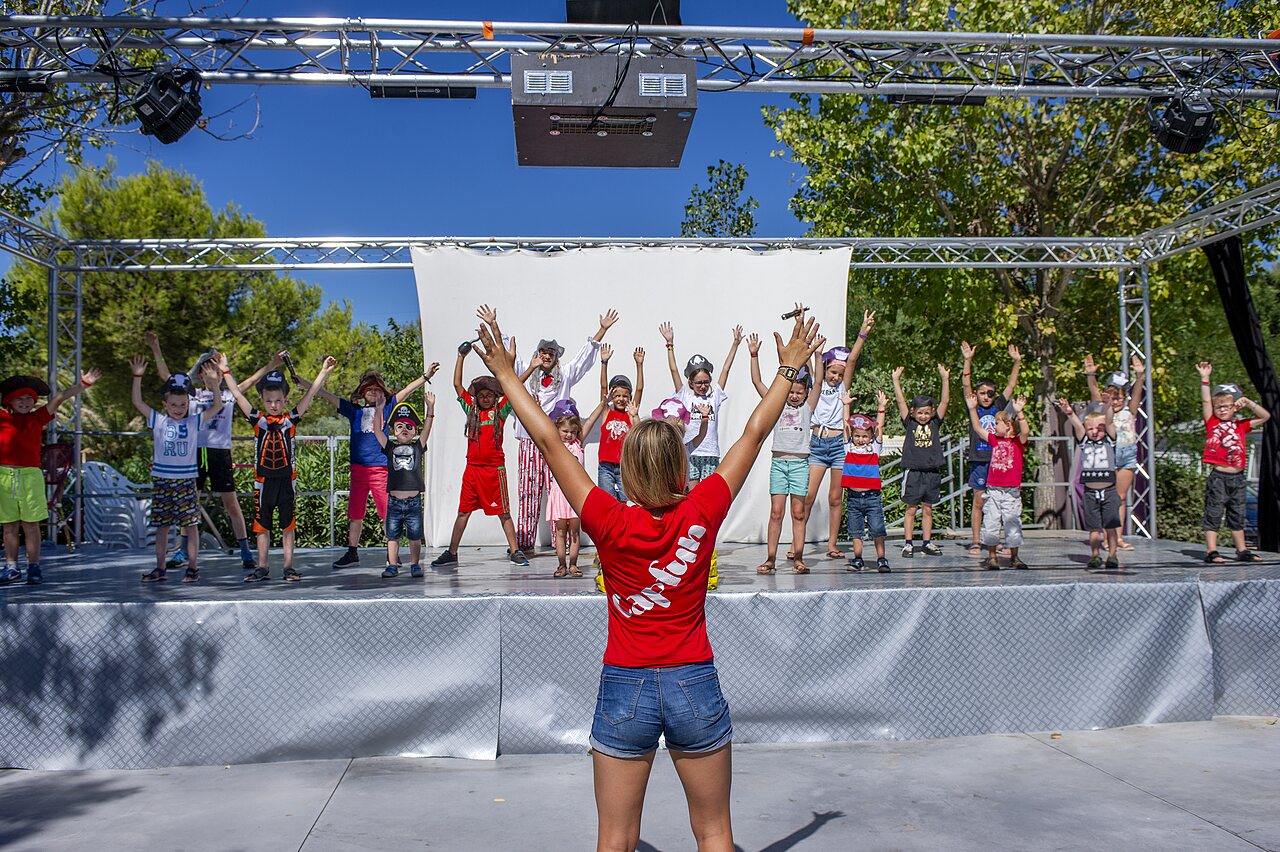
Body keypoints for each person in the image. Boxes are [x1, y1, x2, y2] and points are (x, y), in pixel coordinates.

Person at [468, 303, 822, 852]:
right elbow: (753, 434)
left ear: (627, 469)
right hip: (694, 683)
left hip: (624, 687)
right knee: (715, 834)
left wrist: (510, 376)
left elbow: (548, 442)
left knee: (614, 840)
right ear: (683, 467)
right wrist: (787, 370)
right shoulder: (701, 510)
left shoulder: (607, 519)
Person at [144, 333, 279, 573]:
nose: (210, 374)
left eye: (214, 370)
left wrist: (272, 365)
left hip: (220, 453)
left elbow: (250, 380)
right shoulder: (192, 395)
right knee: (190, 502)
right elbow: (167, 378)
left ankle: (245, 549)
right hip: (194, 454)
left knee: (231, 502)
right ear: (200, 375)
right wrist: (156, 348)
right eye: (206, 371)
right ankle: (183, 550)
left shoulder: (228, 395)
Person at [497, 304, 618, 552]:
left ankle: (559, 545)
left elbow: (583, 359)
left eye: (551, 352)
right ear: (537, 354)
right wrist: (494, 325)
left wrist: (601, 330)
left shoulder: (565, 374)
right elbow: (506, 365)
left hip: (558, 444)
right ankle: (524, 543)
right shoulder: (525, 370)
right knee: (528, 493)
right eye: (543, 351)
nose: (546, 355)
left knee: (561, 490)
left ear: (556, 357)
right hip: (530, 442)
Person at [301, 363, 438, 570]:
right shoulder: (353, 410)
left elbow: (407, 390)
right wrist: (302, 382)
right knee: (355, 512)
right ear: (362, 392)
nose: (373, 392)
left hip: (381, 469)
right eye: (369, 389)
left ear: (382, 392)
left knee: (387, 512)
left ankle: (392, 555)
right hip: (358, 469)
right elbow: (323, 393)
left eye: (376, 389)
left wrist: (425, 376)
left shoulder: (389, 406)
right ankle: (352, 551)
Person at [222, 354, 336, 582]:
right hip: (263, 483)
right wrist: (226, 371)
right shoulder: (258, 420)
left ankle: (288, 567)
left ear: (284, 400)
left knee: (288, 525)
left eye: (277, 401)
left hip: (287, 481)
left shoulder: (290, 419)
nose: (273, 405)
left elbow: (310, 394)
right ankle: (262, 567)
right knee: (262, 527)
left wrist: (324, 371)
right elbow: (236, 394)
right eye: (268, 401)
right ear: (262, 401)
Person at [0, 369, 100, 585]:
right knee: (9, 525)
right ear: (10, 400)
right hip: (4, 476)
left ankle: (34, 566)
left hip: (30, 476)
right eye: (20, 398)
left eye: (30, 398)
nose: (26, 402)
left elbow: (59, 397)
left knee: (31, 524)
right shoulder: (2, 418)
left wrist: (83, 385)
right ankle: (11, 567)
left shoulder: (37, 417)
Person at [129, 357, 224, 583]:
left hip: (186, 481)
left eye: (183, 405)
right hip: (162, 479)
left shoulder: (194, 422)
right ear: (165, 405)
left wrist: (214, 385)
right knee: (162, 526)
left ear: (188, 405)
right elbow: (137, 401)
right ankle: (160, 568)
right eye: (174, 405)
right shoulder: (158, 420)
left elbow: (218, 406)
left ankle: (192, 567)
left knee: (190, 525)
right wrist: (137, 377)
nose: (178, 409)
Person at [430, 344, 525, 568]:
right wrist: (460, 356)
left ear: (495, 397)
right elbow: (456, 384)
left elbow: (515, 386)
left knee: (504, 513)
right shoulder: (471, 410)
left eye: (489, 395)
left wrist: (528, 367)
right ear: (476, 398)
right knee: (463, 512)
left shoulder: (500, 412)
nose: (484, 398)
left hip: (494, 471)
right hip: (472, 471)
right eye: (481, 395)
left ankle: (516, 550)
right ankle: (452, 552)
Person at [746, 323, 822, 575]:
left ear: (805, 393)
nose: (794, 396)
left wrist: (817, 356)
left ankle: (798, 557)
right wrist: (754, 355)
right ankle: (770, 558)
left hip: (800, 464)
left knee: (798, 513)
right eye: (791, 392)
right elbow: (757, 382)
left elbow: (819, 381)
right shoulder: (777, 405)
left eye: (799, 392)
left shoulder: (808, 407)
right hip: (779, 463)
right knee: (776, 512)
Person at [802, 309, 875, 560]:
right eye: (833, 372)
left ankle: (832, 544)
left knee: (836, 497)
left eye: (840, 374)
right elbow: (813, 364)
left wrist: (862, 334)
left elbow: (852, 360)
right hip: (817, 442)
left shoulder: (843, 385)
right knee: (808, 494)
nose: (836, 377)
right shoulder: (816, 382)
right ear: (825, 369)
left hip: (837, 444)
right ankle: (797, 544)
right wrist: (814, 348)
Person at [1197, 362, 1271, 563]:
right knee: (1214, 511)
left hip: (1237, 476)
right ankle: (1211, 551)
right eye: (1219, 407)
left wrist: (1248, 402)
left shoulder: (1241, 425)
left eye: (1226, 407)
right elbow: (1205, 402)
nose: (1222, 410)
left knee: (1237, 513)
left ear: (1234, 408)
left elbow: (1266, 416)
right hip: (1219, 476)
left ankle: (1242, 550)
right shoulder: (1212, 422)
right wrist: (1205, 379)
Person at [959, 341, 1021, 556]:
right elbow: (966, 386)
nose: (986, 397)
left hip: (999, 462)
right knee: (979, 500)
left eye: (990, 393)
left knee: (1002, 503)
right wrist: (967, 361)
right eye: (982, 393)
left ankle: (999, 541)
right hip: (979, 459)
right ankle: (976, 541)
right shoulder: (973, 407)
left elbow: (1011, 386)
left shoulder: (999, 407)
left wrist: (1017, 362)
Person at [1085, 353, 1146, 549]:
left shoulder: (1131, 409)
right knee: (1104, 497)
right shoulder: (1103, 409)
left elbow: (1137, 392)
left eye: (1120, 397)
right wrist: (1090, 376)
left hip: (1127, 455)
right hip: (1108, 456)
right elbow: (1094, 393)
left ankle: (1117, 537)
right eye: (1113, 397)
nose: (1117, 401)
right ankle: (1104, 536)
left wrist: (1140, 375)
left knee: (1120, 497)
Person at [371, 398, 435, 578]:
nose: (404, 430)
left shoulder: (418, 447)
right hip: (394, 502)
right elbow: (377, 430)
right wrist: (379, 410)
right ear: (393, 431)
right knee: (392, 535)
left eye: (409, 427)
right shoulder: (389, 447)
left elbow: (427, 429)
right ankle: (392, 565)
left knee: (415, 536)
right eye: (399, 426)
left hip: (413, 502)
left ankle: (415, 564)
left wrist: (430, 409)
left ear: (415, 431)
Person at [892, 363, 951, 558]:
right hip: (913, 472)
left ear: (932, 413)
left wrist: (945, 378)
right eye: (920, 413)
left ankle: (927, 542)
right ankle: (908, 543)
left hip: (931, 472)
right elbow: (901, 402)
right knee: (911, 509)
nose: (924, 416)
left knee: (928, 509)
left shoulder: (935, 422)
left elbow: (945, 401)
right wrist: (896, 380)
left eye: (927, 412)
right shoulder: (909, 423)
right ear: (913, 412)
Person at [966, 393, 1030, 570]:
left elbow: (1025, 431)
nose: (993, 427)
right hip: (993, 490)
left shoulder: (1018, 442)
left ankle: (1014, 557)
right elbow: (978, 428)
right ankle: (992, 556)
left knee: (1012, 523)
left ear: (1008, 425)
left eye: (996, 424)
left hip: (1011, 492)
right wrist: (972, 409)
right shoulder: (995, 440)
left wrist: (1020, 412)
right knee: (991, 523)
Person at [1056, 398, 1121, 569]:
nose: (1094, 431)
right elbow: (1078, 425)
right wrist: (1069, 412)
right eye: (1090, 428)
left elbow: (1109, 420)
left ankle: (1113, 556)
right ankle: (1095, 555)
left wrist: (1107, 407)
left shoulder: (1109, 440)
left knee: (1111, 526)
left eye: (1098, 428)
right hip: (1090, 492)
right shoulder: (1084, 442)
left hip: (1109, 490)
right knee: (1094, 528)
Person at [581, 343, 645, 504]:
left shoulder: (631, 413)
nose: (621, 399)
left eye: (625, 396)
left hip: (624, 467)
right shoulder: (607, 411)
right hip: (606, 467)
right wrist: (604, 363)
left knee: (624, 501)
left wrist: (639, 365)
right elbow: (603, 387)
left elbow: (639, 389)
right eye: (617, 395)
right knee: (607, 502)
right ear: (611, 396)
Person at [842, 390, 889, 573]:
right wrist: (846, 405)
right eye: (857, 436)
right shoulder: (849, 448)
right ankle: (858, 558)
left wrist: (881, 407)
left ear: (870, 437)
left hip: (872, 497)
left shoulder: (874, 449)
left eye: (864, 436)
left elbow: (880, 427)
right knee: (856, 531)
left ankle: (881, 559)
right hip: (853, 498)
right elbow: (846, 426)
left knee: (877, 529)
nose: (860, 439)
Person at [546, 399, 586, 578]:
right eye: (565, 431)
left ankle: (573, 564)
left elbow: (591, 421)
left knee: (574, 532)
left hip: (576, 494)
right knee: (560, 532)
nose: (569, 435)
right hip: (559, 493)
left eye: (573, 431)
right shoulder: (555, 446)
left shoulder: (579, 445)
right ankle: (561, 564)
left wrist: (603, 404)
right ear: (557, 430)